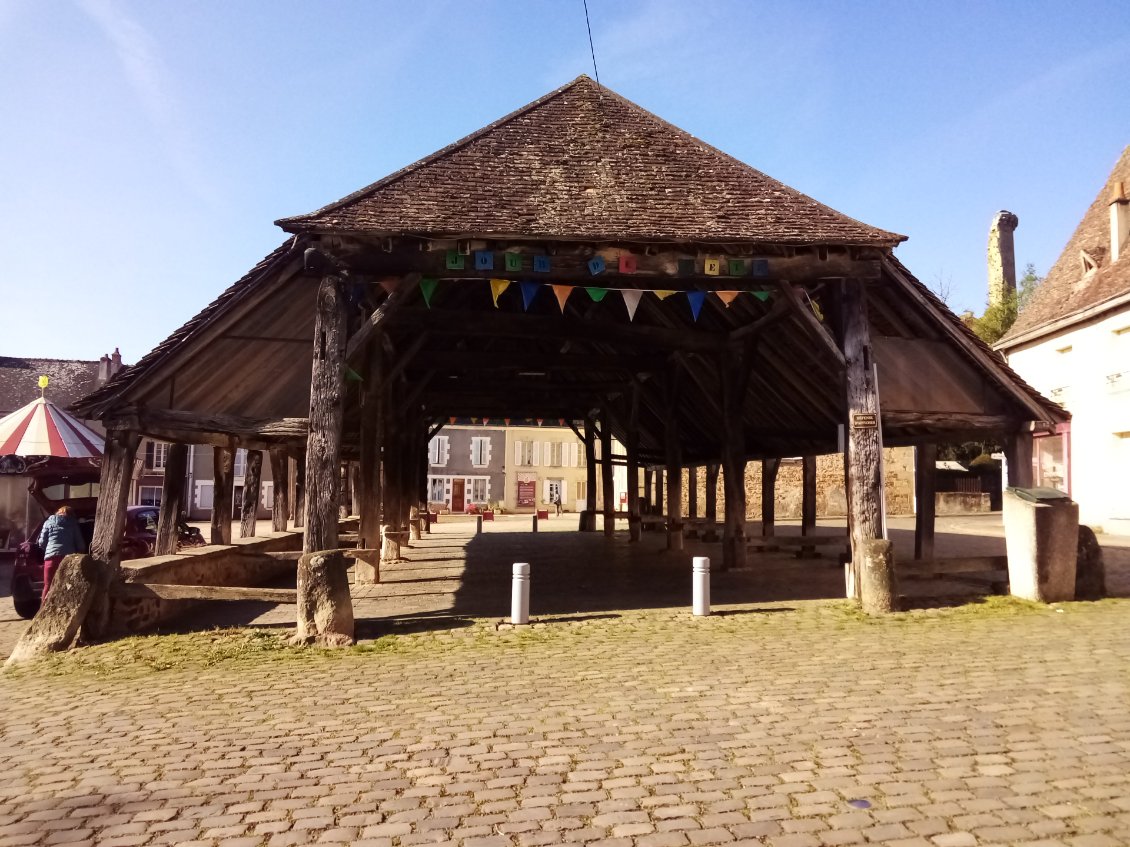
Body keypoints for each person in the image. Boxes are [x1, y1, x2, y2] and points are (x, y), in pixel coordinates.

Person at [37, 505, 86, 600]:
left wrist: (48, 550)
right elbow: (81, 545)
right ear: (71, 515)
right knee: (67, 585)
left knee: (48, 585)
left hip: (51, 559)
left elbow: (41, 542)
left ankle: (43, 611)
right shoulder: (73, 524)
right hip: (68, 559)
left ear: (58, 512)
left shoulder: (48, 522)